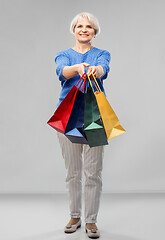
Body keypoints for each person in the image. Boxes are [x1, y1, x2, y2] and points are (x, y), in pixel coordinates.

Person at [54, 12, 111, 239]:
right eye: (79, 26)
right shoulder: (64, 55)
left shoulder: (101, 54)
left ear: (94, 31)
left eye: (89, 26)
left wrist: (96, 70)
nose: (84, 29)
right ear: (74, 30)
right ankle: (75, 215)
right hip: (67, 118)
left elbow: (103, 68)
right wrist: (78, 68)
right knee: (73, 173)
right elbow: (62, 71)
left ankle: (91, 221)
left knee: (93, 174)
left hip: (95, 118)